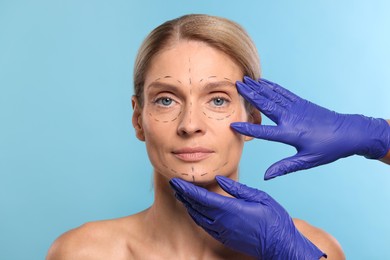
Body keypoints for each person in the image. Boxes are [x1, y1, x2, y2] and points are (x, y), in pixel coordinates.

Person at [46, 14, 345, 259]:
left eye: (217, 100)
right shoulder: (82, 253)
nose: (190, 125)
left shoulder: (313, 249)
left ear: (253, 117)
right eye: (166, 100)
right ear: (138, 119)